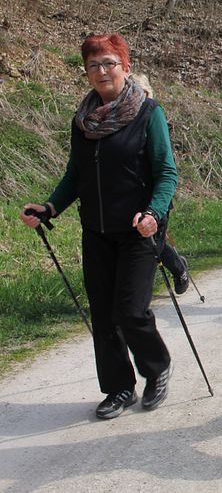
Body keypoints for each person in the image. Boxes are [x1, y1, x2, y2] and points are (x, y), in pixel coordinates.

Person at [20, 33, 176, 419]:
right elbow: (76, 175)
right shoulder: (83, 120)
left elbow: (166, 173)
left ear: (126, 67)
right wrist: (51, 207)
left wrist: (154, 213)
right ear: (87, 73)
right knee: (103, 314)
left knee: (130, 310)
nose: (102, 71)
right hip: (96, 231)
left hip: (139, 229)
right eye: (94, 65)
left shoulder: (148, 112)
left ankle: (157, 369)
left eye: (109, 63)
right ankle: (119, 388)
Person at [129, 73, 189, 295]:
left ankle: (179, 268)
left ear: (146, 93)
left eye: (138, 92)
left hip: (155, 197)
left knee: (154, 245)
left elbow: (165, 165)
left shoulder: (154, 117)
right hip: (127, 198)